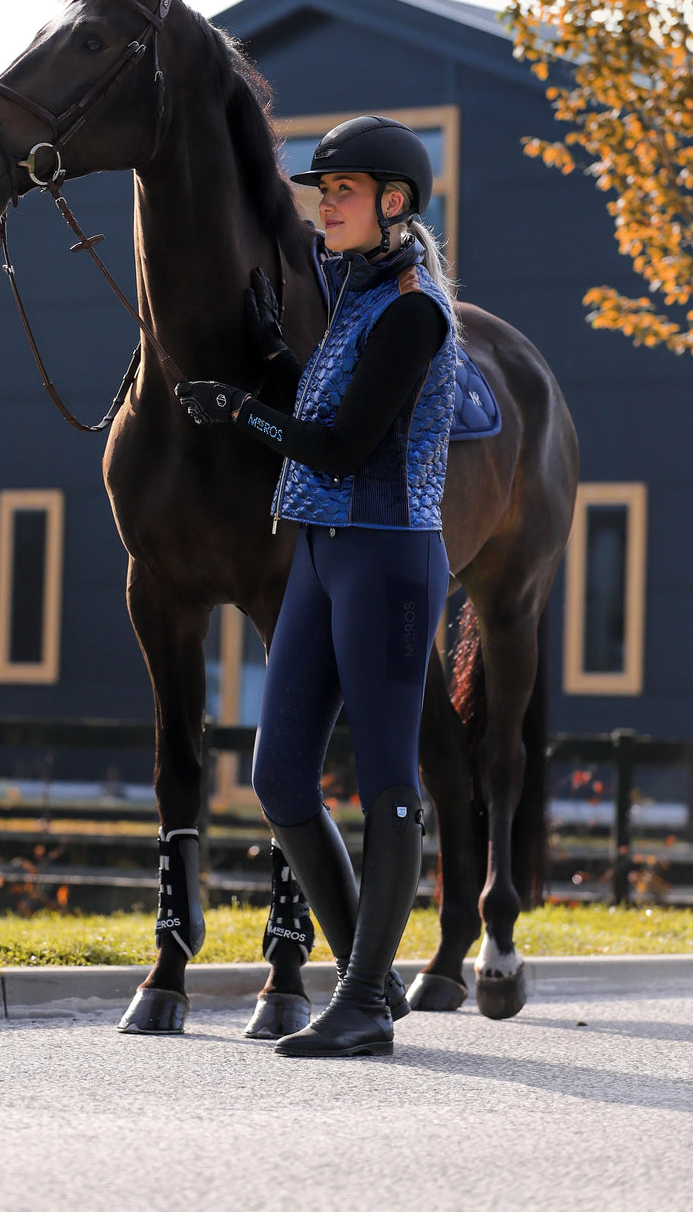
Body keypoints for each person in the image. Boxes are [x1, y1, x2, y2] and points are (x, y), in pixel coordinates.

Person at [176, 115, 457, 1058]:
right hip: (323, 553)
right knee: (279, 774)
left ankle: (367, 999)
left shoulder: (413, 307)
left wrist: (242, 412)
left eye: (340, 189)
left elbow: (342, 445)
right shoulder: (357, 294)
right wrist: (274, 366)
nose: (322, 202)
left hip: (389, 557)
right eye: (320, 189)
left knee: (387, 781)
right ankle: (364, 976)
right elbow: (329, 404)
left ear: (394, 202)